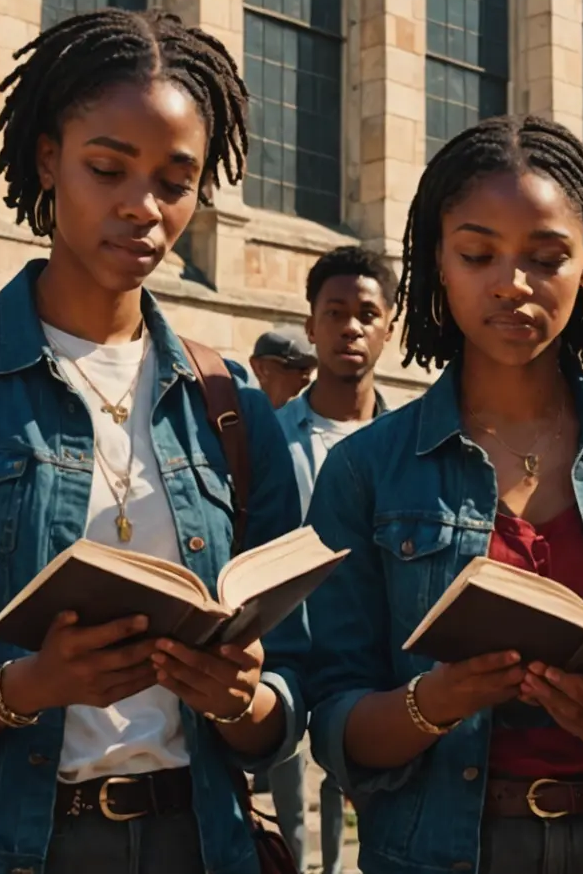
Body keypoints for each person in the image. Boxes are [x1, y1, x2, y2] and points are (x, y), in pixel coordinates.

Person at [0, 7, 307, 874]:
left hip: (201, 844)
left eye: (176, 181)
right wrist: (30, 685)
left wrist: (242, 699)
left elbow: (290, 690)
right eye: (107, 168)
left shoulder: (231, 406)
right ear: (48, 159)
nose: (142, 208)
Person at [303, 115, 583, 874]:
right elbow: (335, 721)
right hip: (439, 854)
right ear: (438, 261)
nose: (512, 284)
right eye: (478, 254)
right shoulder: (364, 471)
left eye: (546, 258)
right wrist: (434, 702)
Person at [265, 244, 398, 874]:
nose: (351, 327)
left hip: (373, 666)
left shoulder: (409, 449)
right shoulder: (267, 440)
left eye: (367, 314)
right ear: (311, 325)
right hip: (288, 656)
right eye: (335, 313)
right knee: (289, 813)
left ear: (390, 327)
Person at [250, 328, 317, 409]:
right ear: (261, 369)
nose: (306, 380)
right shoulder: (242, 410)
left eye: (309, 372)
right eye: (298, 367)